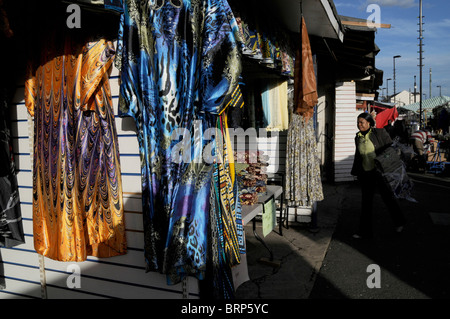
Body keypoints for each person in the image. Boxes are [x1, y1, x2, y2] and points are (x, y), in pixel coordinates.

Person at [351, 112, 406, 239]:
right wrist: (356, 172)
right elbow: (358, 156)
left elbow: (390, 148)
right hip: (366, 174)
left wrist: (384, 161)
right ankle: (364, 231)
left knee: (388, 199)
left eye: (362, 122)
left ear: (369, 123)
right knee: (366, 204)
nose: (359, 125)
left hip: (380, 173)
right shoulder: (358, 137)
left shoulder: (379, 133)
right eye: (358, 122)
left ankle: (400, 222)